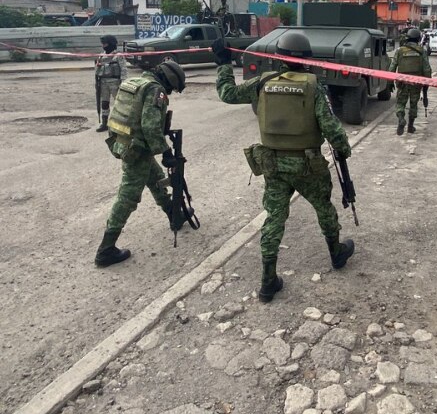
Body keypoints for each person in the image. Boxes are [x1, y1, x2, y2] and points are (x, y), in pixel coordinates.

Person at [211, 33, 355, 303]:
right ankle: (336, 254)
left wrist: (223, 63)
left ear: (279, 57)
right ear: (307, 59)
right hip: (307, 165)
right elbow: (331, 127)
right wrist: (343, 149)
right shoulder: (314, 86)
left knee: (274, 217)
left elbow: (227, 94)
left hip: (273, 164)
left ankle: (267, 282)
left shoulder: (263, 82)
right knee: (324, 208)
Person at [94, 60, 187, 267]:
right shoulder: (155, 90)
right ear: (169, 81)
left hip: (123, 143)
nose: (169, 92)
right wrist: (166, 152)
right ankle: (106, 249)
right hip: (136, 151)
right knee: (128, 196)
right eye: (172, 88)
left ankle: (175, 214)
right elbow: (151, 126)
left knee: (155, 178)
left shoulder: (136, 81)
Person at [393, 27, 432, 135]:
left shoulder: (400, 51)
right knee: (413, 104)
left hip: (402, 83)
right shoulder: (421, 51)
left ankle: (401, 119)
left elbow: (392, 67)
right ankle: (410, 126)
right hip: (416, 83)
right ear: (418, 38)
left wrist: (389, 82)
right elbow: (427, 69)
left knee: (400, 103)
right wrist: (426, 84)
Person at [94, 34, 128, 132]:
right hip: (103, 83)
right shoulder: (101, 55)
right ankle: (104, 123)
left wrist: (123, 82)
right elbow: (97, 70)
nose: (103, 46)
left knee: (119, 104)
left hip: (115, 82)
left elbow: (124, 69)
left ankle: (121, 124)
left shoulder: (118, 56)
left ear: (111, 44)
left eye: (105, 44)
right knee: (104, 103)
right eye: (103, 44)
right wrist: (98, 66)